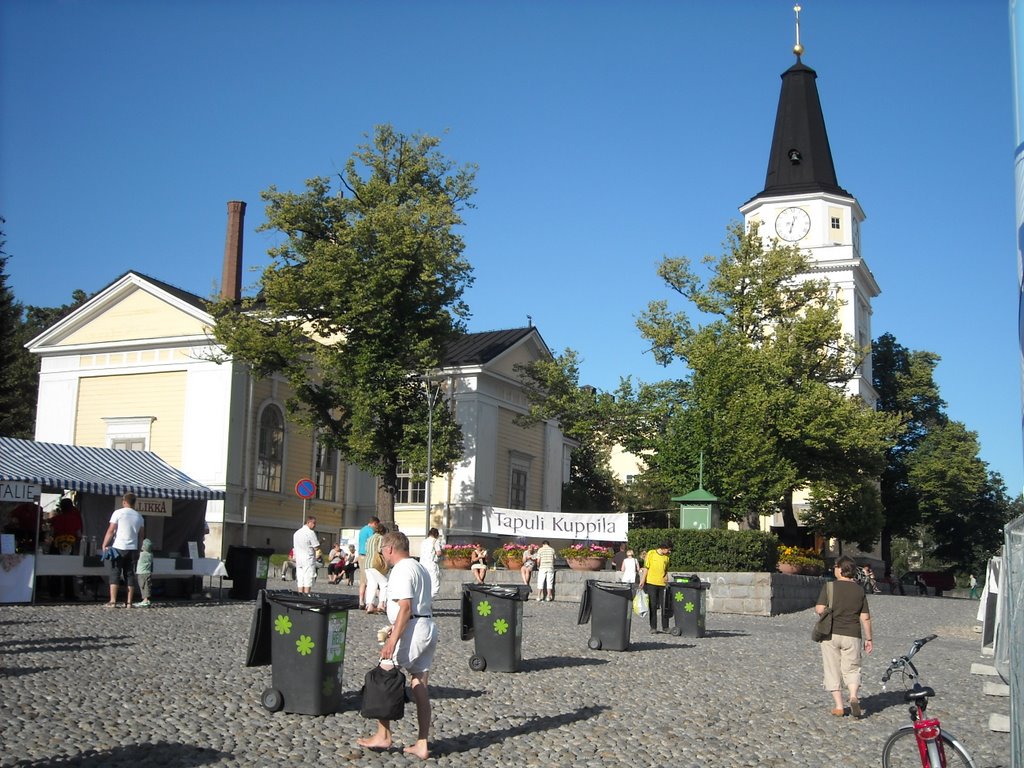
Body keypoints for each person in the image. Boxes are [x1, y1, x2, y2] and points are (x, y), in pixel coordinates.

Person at [357, 530, 438, 760]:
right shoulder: (419, 567)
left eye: (383, 548)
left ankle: (383, 734)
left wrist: (392, 641)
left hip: (412, 629)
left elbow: (405, 607)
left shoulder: (402, 569)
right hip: (427, 626)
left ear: (390, 548)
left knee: (383, 675)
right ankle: (422, 742)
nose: (382, 553)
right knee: (419, 684)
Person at [816, 555, 873, 718]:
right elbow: (866, 617)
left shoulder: (830, 587)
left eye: (835, 566)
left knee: (832, 669)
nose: (834, 569)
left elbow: (819, 609)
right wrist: (869, 639)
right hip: (852, 635)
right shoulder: (859, 590)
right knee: (852, 668)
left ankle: (839, 706)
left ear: (840, 569)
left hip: (830, 634)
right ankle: (854, 696)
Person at [101, 492, 145, 608]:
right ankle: (129, 602)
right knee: (130, 574)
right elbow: (141, 536)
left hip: (119, 547)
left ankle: (113, 601)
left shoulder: (118, 513)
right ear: (134, 503)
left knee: (115, 572)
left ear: (124, 501)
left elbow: (111, 530)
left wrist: (104, 544)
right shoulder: (139, 517)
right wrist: (139, 550)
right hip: (132, 549)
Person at [638, 541, 671, 633]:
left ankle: (665, 627)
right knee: (652, 605)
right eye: (668, 549)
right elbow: (646, 568)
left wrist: (666, 576)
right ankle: (653, 627)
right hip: (651, 583)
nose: (669, 551)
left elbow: (666, 569)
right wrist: (642, 581)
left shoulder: (667, 557)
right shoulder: (651, 553)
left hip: (662, 584)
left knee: (665, 606)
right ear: (663, 548)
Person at [364, 522, 389, 614]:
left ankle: (369, 605)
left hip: (367, 563)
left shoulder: (369, 539)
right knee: (384, 583)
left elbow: (366, 549)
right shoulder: (381, 538)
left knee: (371, 585)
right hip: (376, 564)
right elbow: (379, 550)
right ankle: (381, 604)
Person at [292, 516, 320, 595]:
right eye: (313, 523)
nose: (315, 525)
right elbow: (316, 547)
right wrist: (321, 542)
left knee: (300, 578)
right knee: (308, 578)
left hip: (299, 558)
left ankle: (300, 595)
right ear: (308, 522)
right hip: (308, 558)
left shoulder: (296, 533)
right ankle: (307, 595)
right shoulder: (310, 533)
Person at [358, 516, 381, 609]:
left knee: (363, 580)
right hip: (367, 556)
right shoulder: (370, 531)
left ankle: (361, 601)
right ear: (374, 523)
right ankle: (369, 602)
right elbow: (374, 542)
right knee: (370, 580)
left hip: (361, 555)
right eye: (377, 525)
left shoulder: (362, 529)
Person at [418, 527, 442, 599]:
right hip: (431, 563)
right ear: (436, 534)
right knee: (435, 583)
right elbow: (438, 553)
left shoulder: (424, 541)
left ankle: (423, 596)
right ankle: (430, 598)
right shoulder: (435, 541)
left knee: (425, 582)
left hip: (422, 564)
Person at [136, 538, 154, 607]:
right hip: (148, 572)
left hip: (142, 573)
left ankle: (145, 600)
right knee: (147, 586)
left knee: (143, 586)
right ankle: (146, 599)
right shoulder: (151, 554)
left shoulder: (142, 554)